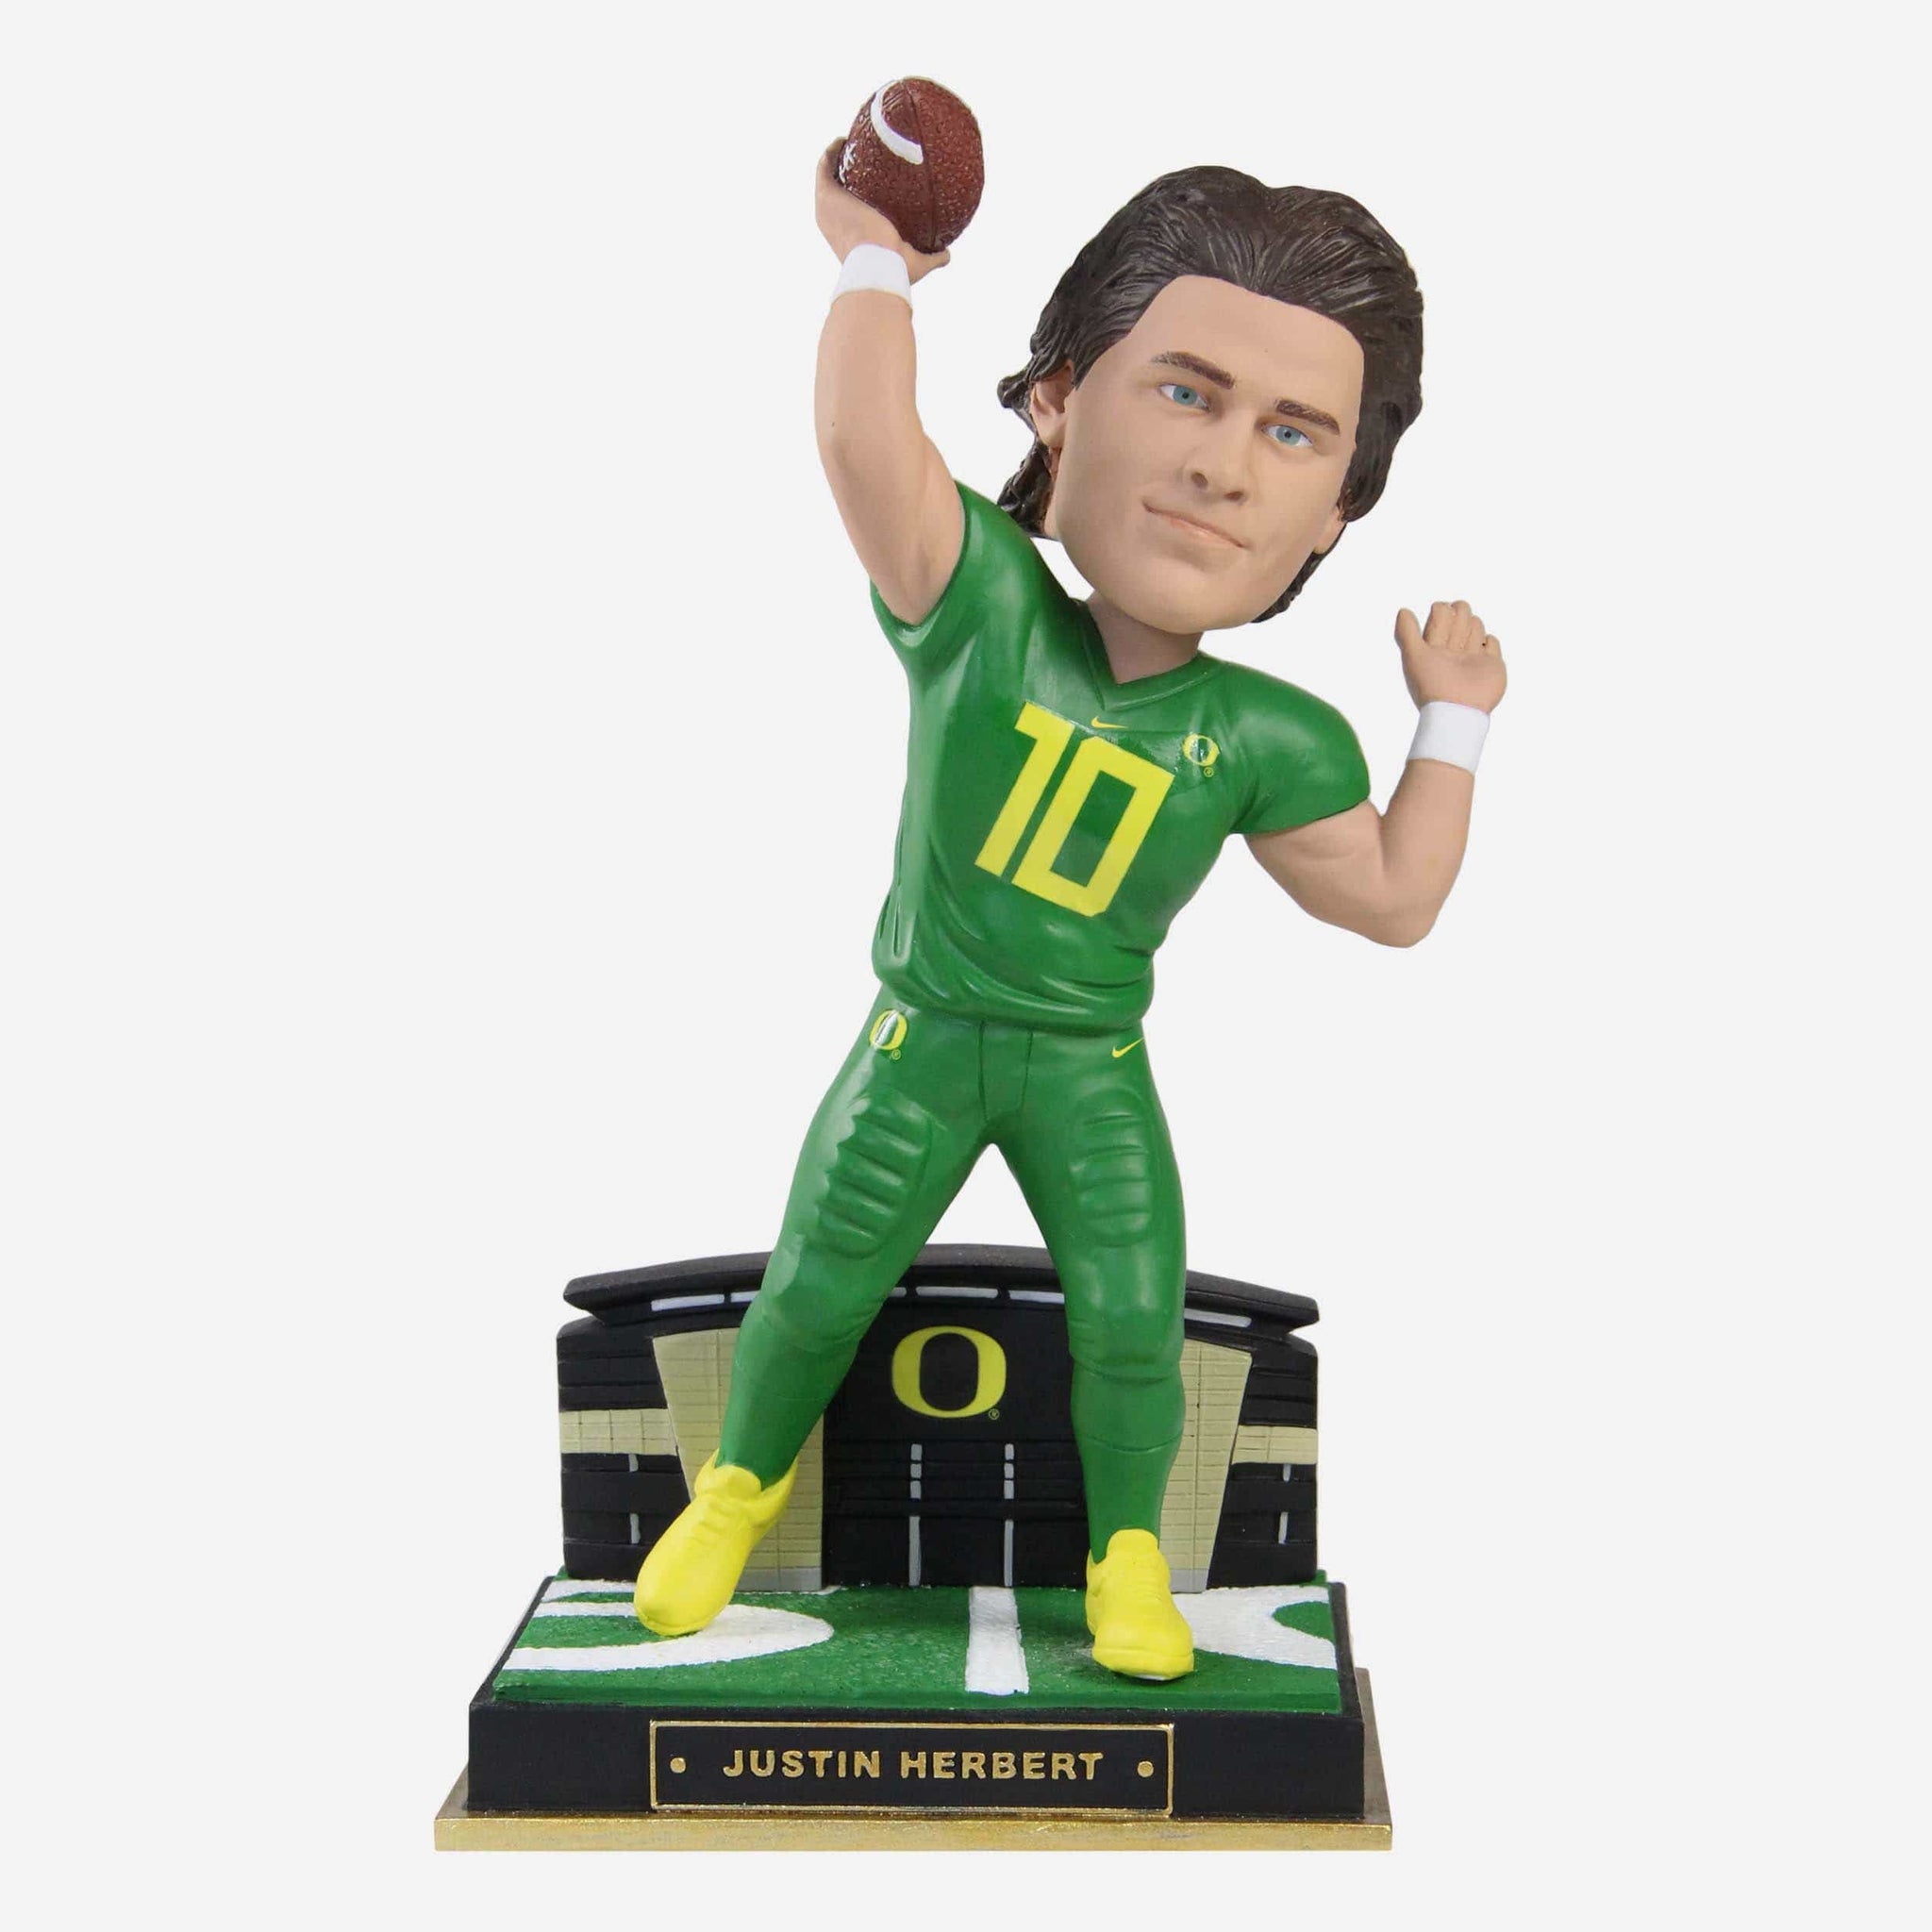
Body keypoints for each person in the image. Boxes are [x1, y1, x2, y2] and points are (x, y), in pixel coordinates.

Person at [632, 152, 1507, 1680]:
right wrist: (872, 259)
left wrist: (1456, 722)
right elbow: (863, 441)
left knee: (1132, 1315)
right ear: (1057, 398)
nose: (1224, 467)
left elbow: (1392, 898)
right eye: (1184, 392)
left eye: (1290, 431)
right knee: (817, 1277)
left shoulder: (1266, 736)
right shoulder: (981, 606)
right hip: (920, 1037)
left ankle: (1126, 1559)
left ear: (1336, 510)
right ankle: (733, 1491)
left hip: (1088, 1063)